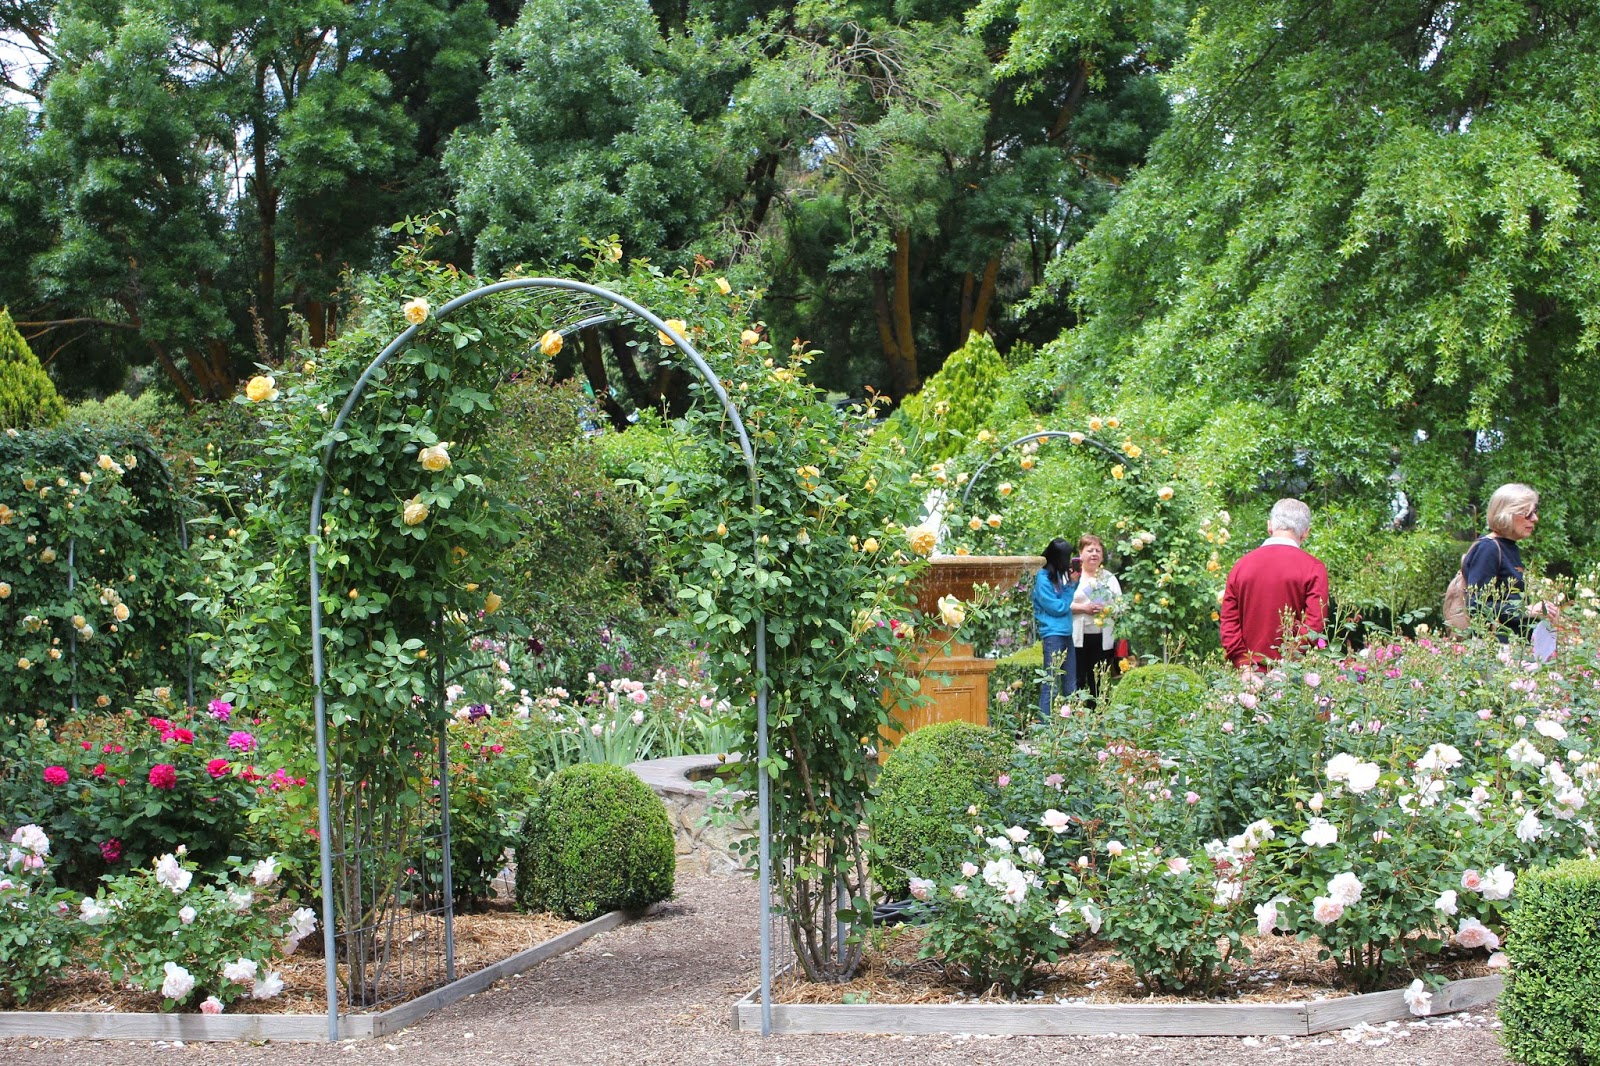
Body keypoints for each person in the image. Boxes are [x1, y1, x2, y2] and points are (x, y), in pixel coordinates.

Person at [1219, 498, 1330, 669]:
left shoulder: (1241, 566)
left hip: (1247, 677)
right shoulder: (1313, 569)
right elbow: (1314, 625)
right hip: (1292, 680)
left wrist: (1244, 666)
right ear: (1306, 532)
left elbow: (1229, 622)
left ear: (1269, 526)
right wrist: (1286, 667)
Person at [1464, 482, 1551, 641]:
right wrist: (1526, 610)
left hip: (1514, 649)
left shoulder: (1509, 547)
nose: (1535, 519)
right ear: (1508, 513)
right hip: (1496, 652)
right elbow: (1476, 606)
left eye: (1535, 512)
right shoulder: (1488, 549)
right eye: (1528, 513)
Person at [1070, 534, 1122, 701]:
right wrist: (1083, 608)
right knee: (1077, 680)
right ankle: (1075, 718)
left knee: (1099, 682)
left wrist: (1106, 609)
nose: (1094, 554)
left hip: (1102, 638)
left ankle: (1098, 718)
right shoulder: (1073, 577)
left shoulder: (1109, 578)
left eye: (1098, 551)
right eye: (1089, 550)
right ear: (1081, 553)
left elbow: (1121, 606)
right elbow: (1062, 604)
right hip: (1077, 638)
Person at [1032, 538, 1078, 718]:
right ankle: (1044, 727)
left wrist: (1072, 584)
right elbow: (1057, 608)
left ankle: (1071, 726)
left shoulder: (1057, 576)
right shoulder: (1042, 578)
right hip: (1052, 636)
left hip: (1066, 633)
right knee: (1050, 683)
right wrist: (1070, 587)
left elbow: (1065, 600)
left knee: (1070, 684)